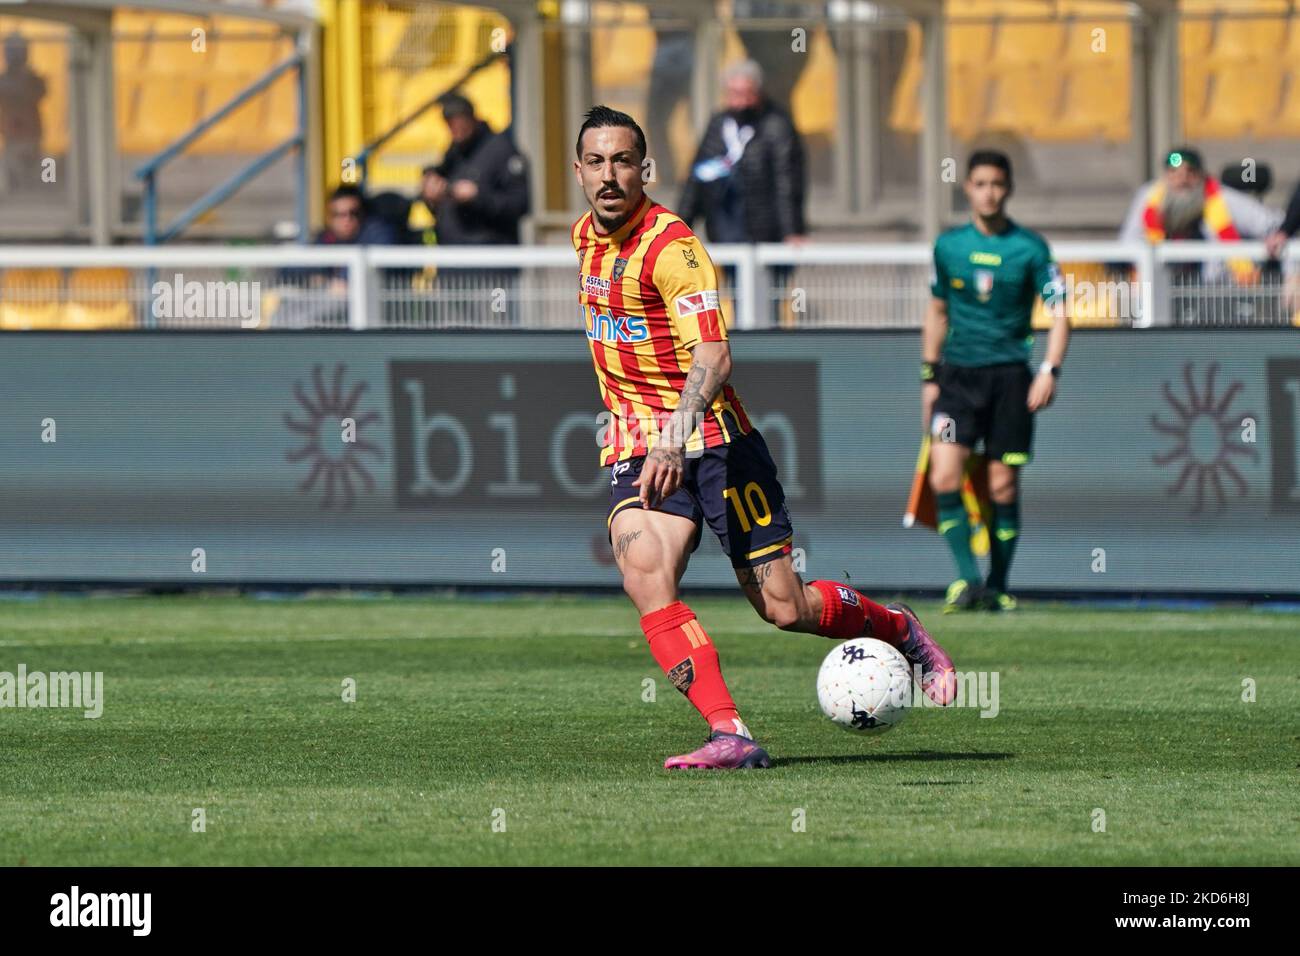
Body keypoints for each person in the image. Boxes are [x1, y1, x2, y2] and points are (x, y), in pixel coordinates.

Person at [572, 105, 956, 770]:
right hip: (637, 445)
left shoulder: (674, 248)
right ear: (578, 171)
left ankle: (898, 627)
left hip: (713, 442)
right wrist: (652, 442)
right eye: (597, 162)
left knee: (784, 606)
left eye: (623, 161)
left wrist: (674, 437)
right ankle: (731, 733)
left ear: (645, 169)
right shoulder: (584, 237)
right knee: (644, 574)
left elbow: (715, 357)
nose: (610, 176)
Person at [922, 150, 1070, 613]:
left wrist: (1049, 369)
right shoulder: (948, 247)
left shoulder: (1030, 248)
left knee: (1002, 486)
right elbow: (937, 310)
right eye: (981, 183)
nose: (989, 192)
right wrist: (929, 375)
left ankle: (998, 584)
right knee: (944, 473)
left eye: (997, 184)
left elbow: (1060, 314)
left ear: (1008, 189)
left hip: (1010, 380)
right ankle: (968, 581)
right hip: (957, 381)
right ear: (967, 187)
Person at [1119, 147, 1281, 286]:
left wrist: (1260, 261)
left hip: (1220, 293)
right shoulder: (1150, 198)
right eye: (1174, 172)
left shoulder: (1224, 200)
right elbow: (1128, 241)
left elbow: (1275, 225)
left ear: (1201, 175)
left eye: (1190, 172)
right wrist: (1139, 269)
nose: (1182, 180)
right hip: (1164, 290)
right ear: (1166, 176)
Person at [420, 92, 529, 245]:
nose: (454, 128)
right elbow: (441, 187)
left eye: (457, 121)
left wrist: (478, 196)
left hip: (489, 258)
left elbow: (520, 203)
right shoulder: (454, 151)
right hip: (451, 255)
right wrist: (431, 193)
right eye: (449, 123)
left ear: (471, 118)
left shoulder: (501, 150)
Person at [0, 33, 46, 196]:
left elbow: (39, 93)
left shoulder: (33, 79)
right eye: (11, 51)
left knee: (33, 170)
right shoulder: (3, 80)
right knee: (13, 170)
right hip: (12, 134)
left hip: (31, 133)